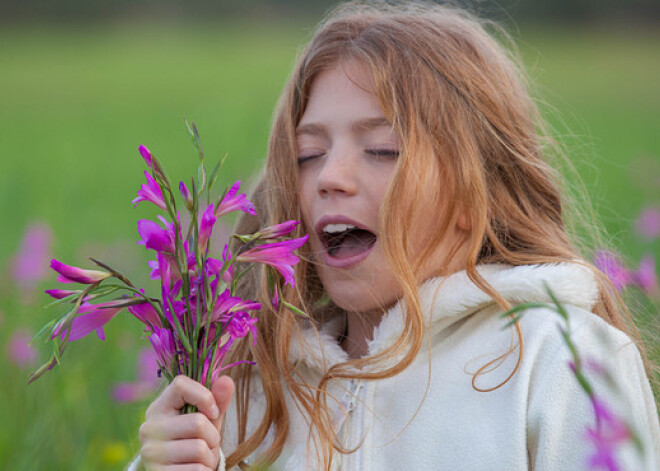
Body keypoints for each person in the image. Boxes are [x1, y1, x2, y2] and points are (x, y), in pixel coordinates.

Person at [130, 1, 660, 470]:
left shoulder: (564, 364)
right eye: (307, 155)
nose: (329, 177)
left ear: (474, 196)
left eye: (382, 149)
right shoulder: (249, 387)